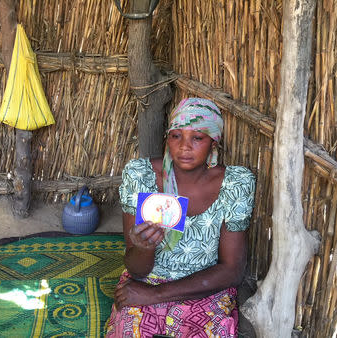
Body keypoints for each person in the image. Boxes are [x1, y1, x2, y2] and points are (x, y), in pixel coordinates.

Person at [106, 98, 256, 337]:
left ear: (213, 142)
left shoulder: (235, 183)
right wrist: (144, 247)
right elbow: (136, 269)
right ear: (168, 139)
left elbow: (232, 270)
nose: (184, 146)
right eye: (176, 136)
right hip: (145, 283)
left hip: (205, 289)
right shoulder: (141, 176)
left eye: (197, 138)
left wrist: (154, 296)